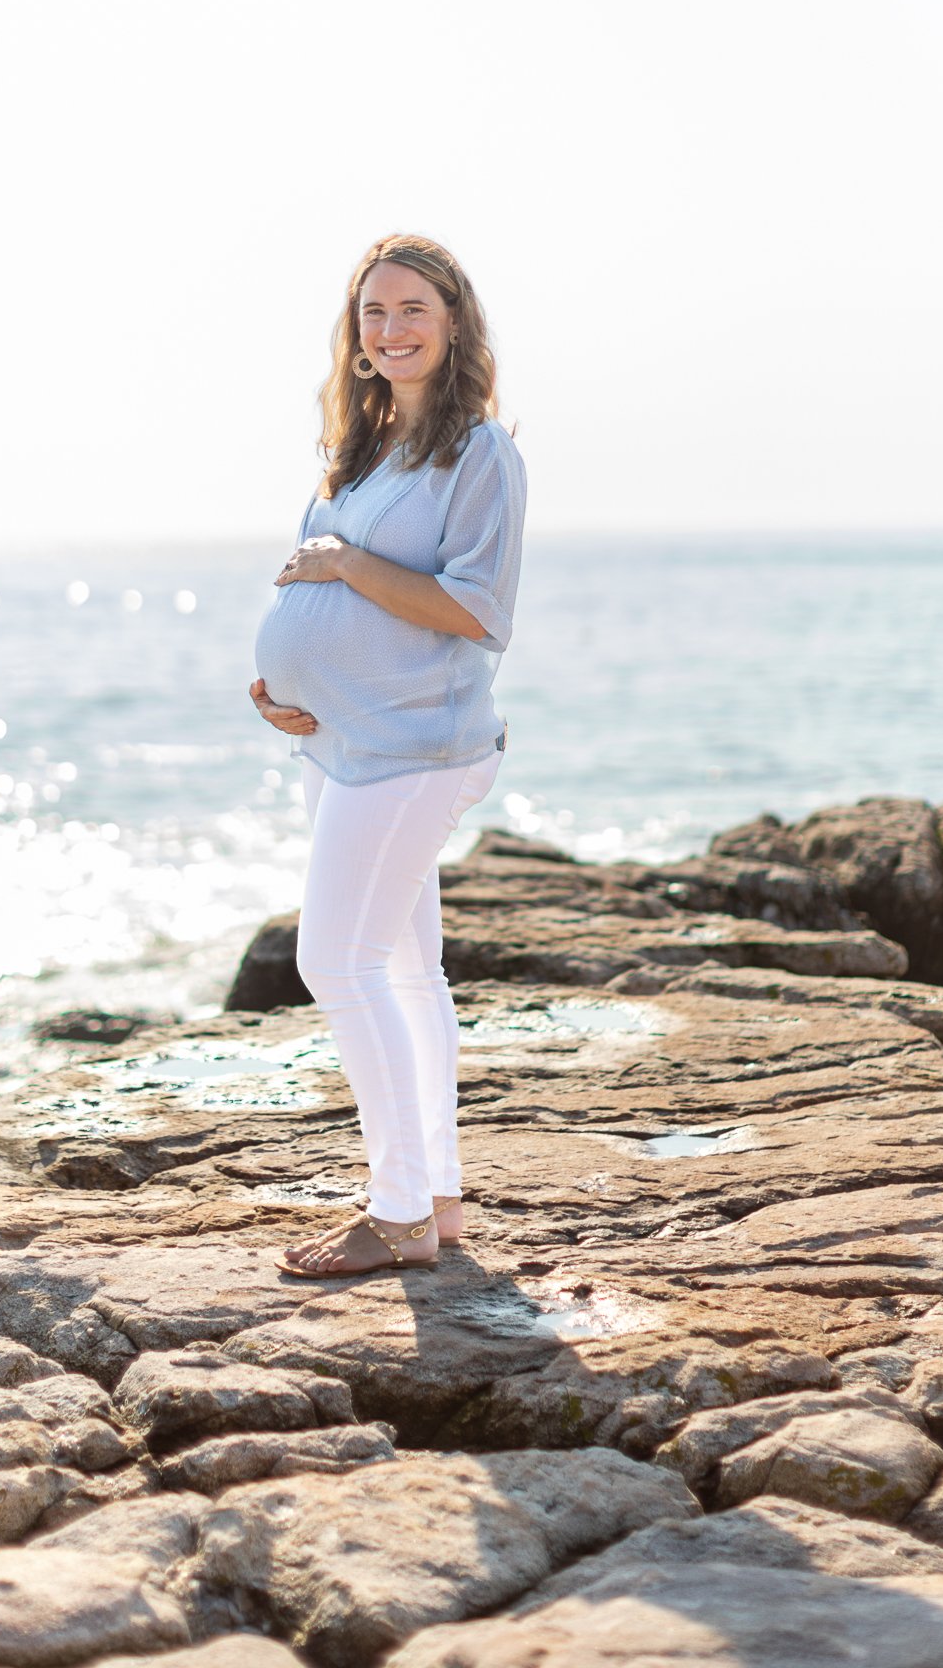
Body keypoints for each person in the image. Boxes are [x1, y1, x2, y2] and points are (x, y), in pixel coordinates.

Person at [250, 233, 527, 1278]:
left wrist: (343, 565)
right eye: (373, 312)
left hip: (416, 749)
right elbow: (312, 598)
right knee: (408, 971)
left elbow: (474, 611)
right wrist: (281, 686)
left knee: (334, 961)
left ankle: (396, 1211)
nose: (391, 328)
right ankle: (436, 1197)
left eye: (412, 308)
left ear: (452, 323)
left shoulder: (479, 455)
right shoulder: (359, 455)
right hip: (342, 746)